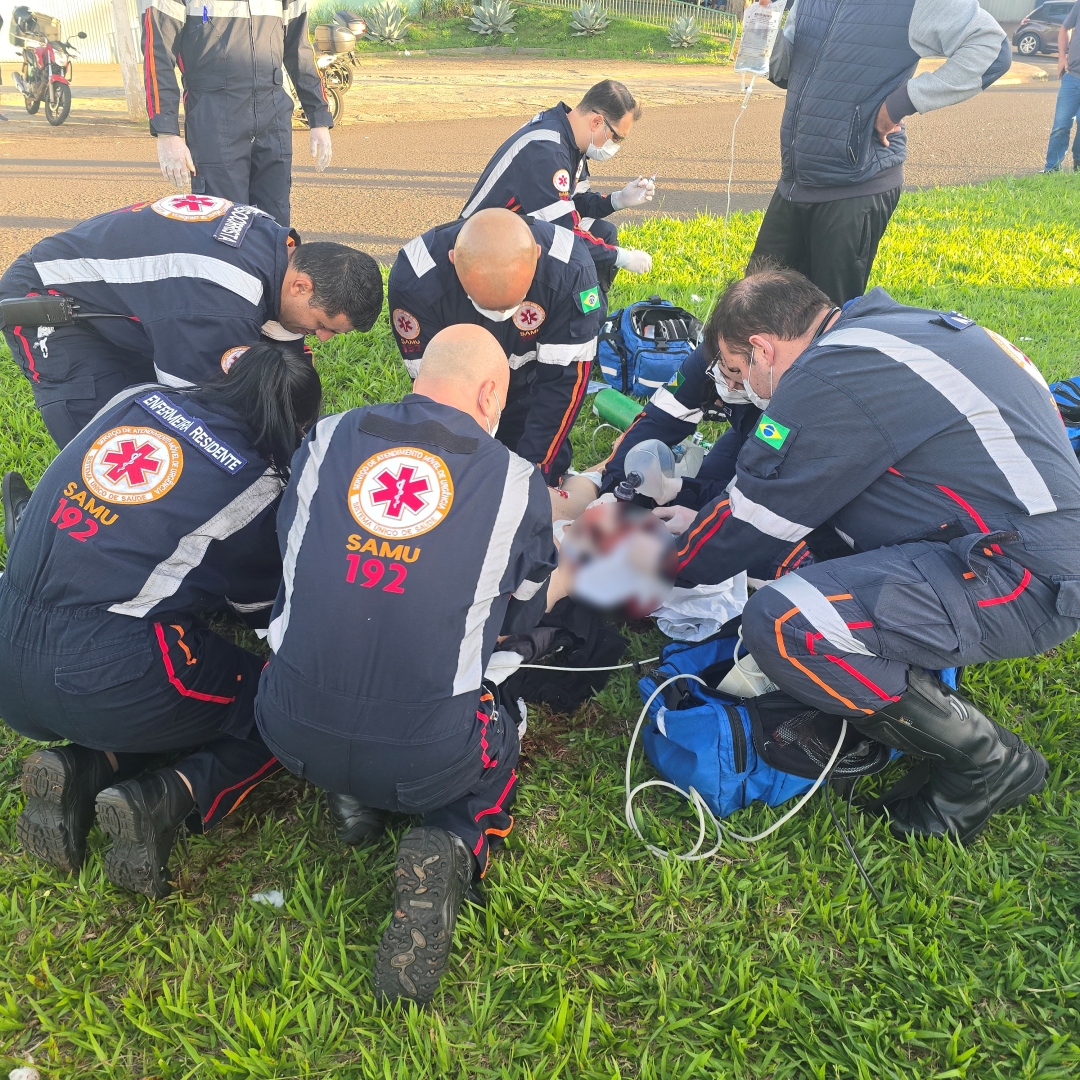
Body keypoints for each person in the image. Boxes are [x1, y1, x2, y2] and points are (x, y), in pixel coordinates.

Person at [654, 268, 1080, 844]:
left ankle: (988, 762)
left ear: (762, 348)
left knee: (786, 623)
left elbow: (754, 523)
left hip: (1021, 571)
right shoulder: (877, 329)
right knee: (809, 558)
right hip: (1018, 540)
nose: (740, 388)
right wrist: (704, 521)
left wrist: (663, 562)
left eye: (737, 371)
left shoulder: (829, 377)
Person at [255, 324, 561, 1005]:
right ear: (489, 392)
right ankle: (452, 841)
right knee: (501, 713)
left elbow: (298, 559)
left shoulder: (329, 437)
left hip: (288, 728)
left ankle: (353, 796)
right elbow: (518, 619)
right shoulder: (515, 481)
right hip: (426, 756)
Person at [0, 343, 321, 896]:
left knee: (175, 699)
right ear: (299, 423)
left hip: (8, 648)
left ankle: (87, 767)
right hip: (100, 672)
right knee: (280, 707)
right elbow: (259, 611)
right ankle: (169, 795)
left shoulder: (137, 398)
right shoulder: (257, 484)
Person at [0, 195, 382, 453]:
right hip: (50, 299)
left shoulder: (277, 246)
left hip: (130, 301)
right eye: (322, 324)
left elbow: (283, 359)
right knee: (111, 443)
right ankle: (39, 521)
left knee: (146, 401)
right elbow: (202, 415)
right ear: (302, 286)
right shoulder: (218, 304)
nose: (325, 338)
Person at [756, 0, 1012, 305]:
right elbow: (784, 73)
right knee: (754, 307)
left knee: (826, 321)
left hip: (856, 186)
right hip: (796, 182)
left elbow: (992, 49)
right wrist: (763, 20)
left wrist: (899, 104)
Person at [387, 208, 603, 486]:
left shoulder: (569, 271)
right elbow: (439, 392)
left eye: (513, 304)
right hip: (465, 383)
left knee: (540, 469)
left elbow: (563, 382)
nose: (501, 318)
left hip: (533, 378)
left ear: (537, 255)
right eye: (484, 306)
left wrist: (536, 472)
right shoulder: (415, 280)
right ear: (453, 261)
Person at [139, 0, 332, 226]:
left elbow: (300, 51)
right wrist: (166, 132)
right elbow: (157, 55)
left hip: (273, 114)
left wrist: (318, 117)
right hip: (213, 117)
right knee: (222, 222)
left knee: (274, 222)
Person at [460, 79, 654, 293]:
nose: (615, 146)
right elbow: (565, 235)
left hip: (516, 230)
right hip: (481, 249)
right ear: (597, 122)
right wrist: (622, 257)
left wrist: (617, 200)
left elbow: (576, 202)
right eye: (616, 137)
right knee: (575, 257)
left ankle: (590, 317)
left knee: (604, 233)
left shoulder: (570, 138)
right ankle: (579, 319)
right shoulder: (547, 153)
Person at [1044, 1, 1080, 172]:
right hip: (1072, 76)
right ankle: (1052, 168)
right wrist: (1061, 57)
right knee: (1060, 125)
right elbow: (1064, 29)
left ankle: (1078, 164)